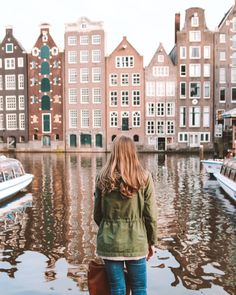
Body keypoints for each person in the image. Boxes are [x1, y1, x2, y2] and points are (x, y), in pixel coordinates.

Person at [93, 135, 158, 295]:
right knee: (139, 289)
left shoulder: (102, 178)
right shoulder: (144, 177)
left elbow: (97, 214)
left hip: (109, 243)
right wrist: (152, 241)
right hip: (136, 242)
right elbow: (151, 216)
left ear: (113, 153)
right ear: (132, 152)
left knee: (117, 289)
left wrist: (109, 228)